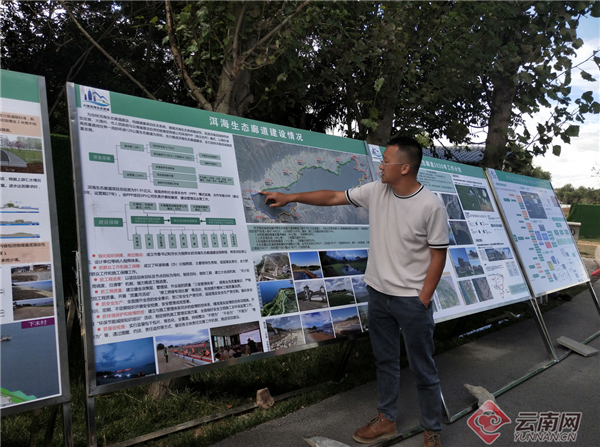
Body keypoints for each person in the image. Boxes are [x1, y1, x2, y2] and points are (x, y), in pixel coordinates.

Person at [260, 137, 448, 447]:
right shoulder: (377, 191)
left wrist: (423, 299)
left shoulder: (430, 206)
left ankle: (432, 430)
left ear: (404, 167)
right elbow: (333, 196)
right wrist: (291, 196)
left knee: (422, 367)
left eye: (385, 161)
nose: (380, 166)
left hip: (411, 301)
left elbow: (438, 255)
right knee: (385, 362)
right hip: (379, 296)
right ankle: (386, 419)